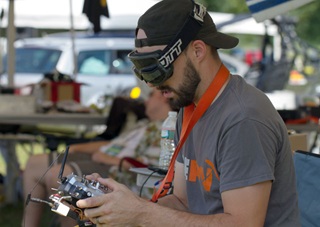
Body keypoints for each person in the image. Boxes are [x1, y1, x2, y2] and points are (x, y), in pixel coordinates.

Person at [76, 0, 301, 226]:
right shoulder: (189, 108)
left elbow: (243, 224)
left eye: (159, 70)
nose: (154, 85)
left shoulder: (243, 118)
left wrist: (141, 214)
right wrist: (125, 207)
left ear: (197, 50)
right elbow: (183, 203)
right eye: (146, 73)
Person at [22, 88, 173, 227]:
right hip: (103, 158)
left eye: (151, 95)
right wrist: (76, 148)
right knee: (35, 162)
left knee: (59, 175)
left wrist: (106, 158)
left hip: (118, 171)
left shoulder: (166, 129)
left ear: (164, 97)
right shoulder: (144, 124)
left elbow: (150, 166)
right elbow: (113, 144)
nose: (145, 100)